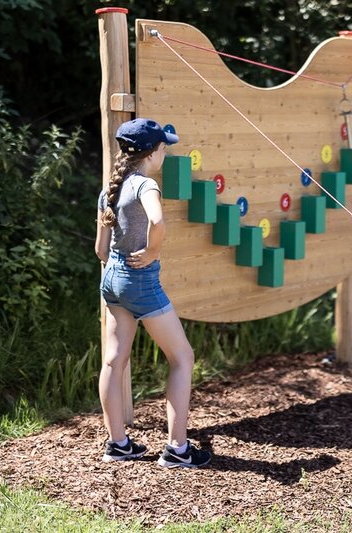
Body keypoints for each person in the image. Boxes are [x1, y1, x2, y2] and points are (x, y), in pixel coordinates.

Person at [95, 118, 212, 468]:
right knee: (182, 358)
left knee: (114, 361)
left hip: (112, 279)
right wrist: (152, 251)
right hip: (140, 280)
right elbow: (158, 221)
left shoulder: (110, 190)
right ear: (155, 152)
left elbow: (101, 250)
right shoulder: (146, 185)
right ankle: (178, 449)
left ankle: (118, 444)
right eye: (164, 147)